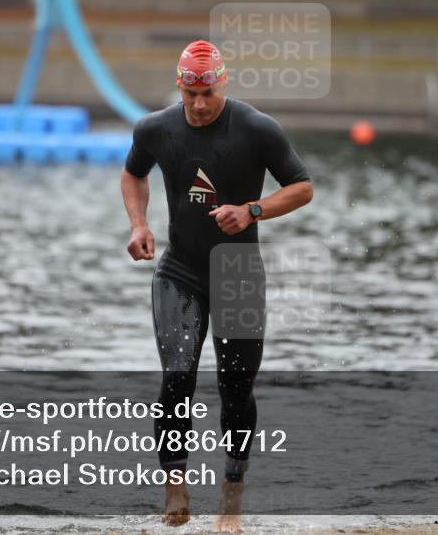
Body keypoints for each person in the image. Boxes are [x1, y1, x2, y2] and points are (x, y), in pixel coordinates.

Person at [120, 40, 313, 532]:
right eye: (190, 96)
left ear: (223, 83)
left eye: (207, 94)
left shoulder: (256, 128)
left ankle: (231, 497)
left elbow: (302, 186)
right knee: (177, 376)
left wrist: (252, 210)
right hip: (179, 271)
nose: (200, 105)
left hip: (239, 273)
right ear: (180, 87)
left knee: (236, 388)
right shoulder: (155, 128)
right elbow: (132, 172)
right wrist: (139, 224)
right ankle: (175, 488)